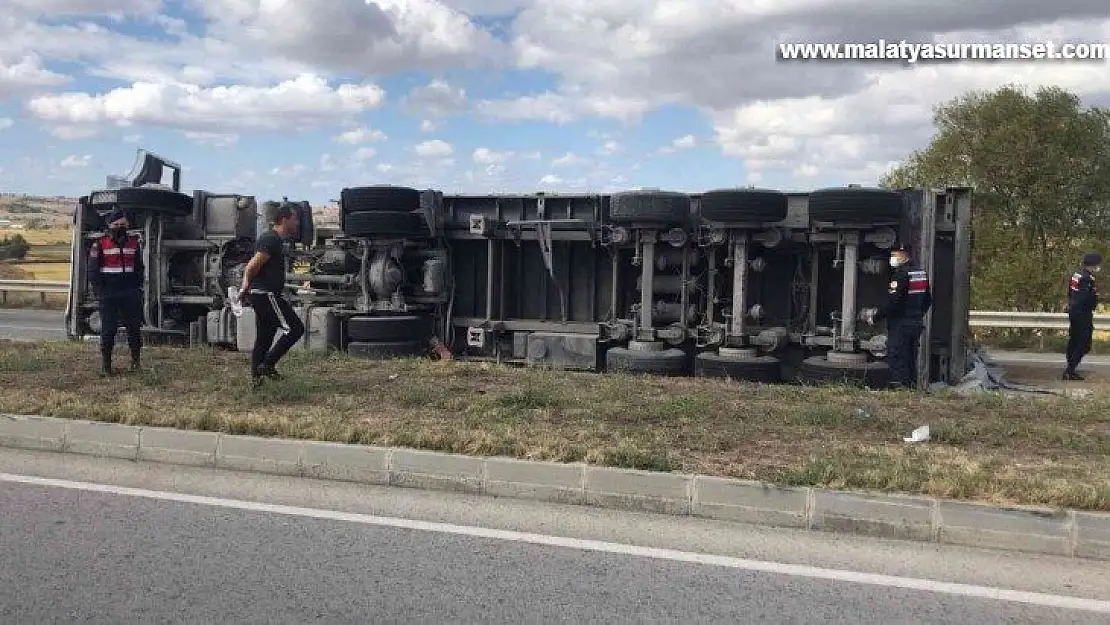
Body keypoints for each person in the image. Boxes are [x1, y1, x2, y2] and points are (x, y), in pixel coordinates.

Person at [237, 201, 304, 382]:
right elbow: (251, 266)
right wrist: (245, 288)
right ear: (284, 219)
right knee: (295, 329)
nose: (297, 223)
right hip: (266, 295)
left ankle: (256, 380)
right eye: (295, 219)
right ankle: (267, 365)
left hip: (262, 295)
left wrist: (247, 289)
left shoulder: (275, 240)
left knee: (265, 337)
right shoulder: (271, 239)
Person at [87, 208, 144, 375]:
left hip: (129, 292)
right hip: (109, 293)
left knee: (134, 328)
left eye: (123, 224)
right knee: (108, 329)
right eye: (116, 224)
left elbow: (139, 267)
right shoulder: (100, 244)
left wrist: (137, 287)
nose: (120, 227)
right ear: (110, 225)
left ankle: (136, 362)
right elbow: (93, 271)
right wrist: (100, 291)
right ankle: (106, 366)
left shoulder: (134, 243)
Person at [870, 245, 932, 389]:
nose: (893, 258)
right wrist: (917, 314)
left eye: (896, 254)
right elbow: (927, 300)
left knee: (898, 356)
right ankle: (911, 387)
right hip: (915, 322)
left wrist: (875, 317)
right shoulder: (921, 274)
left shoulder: (900, 275)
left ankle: (899, 389)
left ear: (905, 256)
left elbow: (893, 303)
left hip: (901, 324)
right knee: (911, 356)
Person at [1064, 252, 1101, 380]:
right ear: (1093, 265)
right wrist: (1095, 296)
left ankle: (1070, 367)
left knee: (1074, 340)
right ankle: (1070, 370)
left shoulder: (1076, 274)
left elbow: (1070, 292)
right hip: (1082, 313)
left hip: (1073, 311)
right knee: (1084, 343)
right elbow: (1086, 298)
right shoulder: (1087, 279)